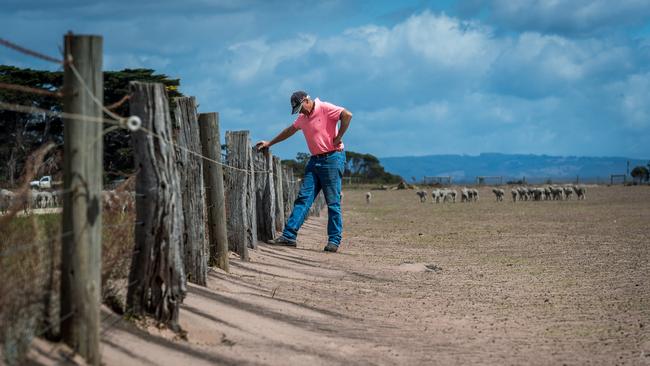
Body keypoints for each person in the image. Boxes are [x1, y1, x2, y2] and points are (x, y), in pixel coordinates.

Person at [255, 91, 352, 253]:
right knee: (303, 198)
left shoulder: (325, 108)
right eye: (298, 110)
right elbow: (289, 130)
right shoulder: (302, 118)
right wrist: (270, 142)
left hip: (332, 158)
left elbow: (347, 115)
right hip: (315, 161)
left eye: (301, 108)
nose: (300, 112)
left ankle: (334, 240)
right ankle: (288, 236)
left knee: (333, 202)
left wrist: (339, 136)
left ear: (307, 100)